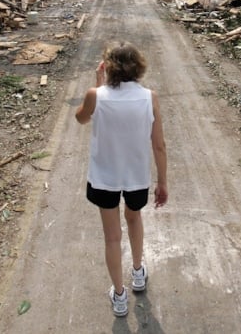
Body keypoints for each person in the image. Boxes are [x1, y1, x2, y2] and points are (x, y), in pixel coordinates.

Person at [75, 41, 168, 317]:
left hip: (104, 177)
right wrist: (162, 181)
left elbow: (81, 119)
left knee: (112, 238)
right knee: (134, 218)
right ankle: (138, 271)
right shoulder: (149, 97)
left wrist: (96, 84)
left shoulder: (96, 95)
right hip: (137, 176)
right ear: (138, 66)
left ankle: (119, 295)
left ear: (107, 67)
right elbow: (159, 145)